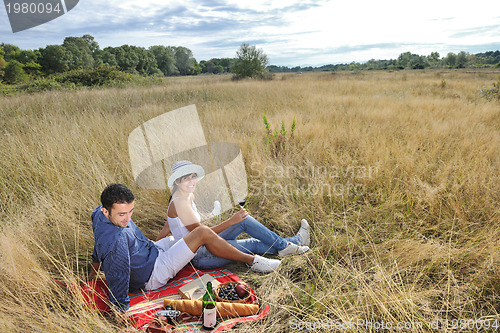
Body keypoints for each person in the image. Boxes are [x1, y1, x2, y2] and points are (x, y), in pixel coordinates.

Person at [89, 183, 281, 312]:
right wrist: (120, 313)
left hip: (154, 249)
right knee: (202, 233)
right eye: (122, 214)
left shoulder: (98, 214)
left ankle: (282, 244)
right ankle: (252, 261)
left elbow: (99, 248)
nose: (128, 219)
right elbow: (118, 278)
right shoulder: (117, 241)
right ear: (107, 211)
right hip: (154, 272)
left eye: (131, 211)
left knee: (190, 236)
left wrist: (91, 276)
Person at [156, 160, 311, 270]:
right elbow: (203, 233)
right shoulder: (179, 203)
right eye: (185, 179)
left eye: (192, 177)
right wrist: (230, 221)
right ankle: (290, 244)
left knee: (243, 219)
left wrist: (154, 247)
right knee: (252, 243)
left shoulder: (188, 195)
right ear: (177, 182)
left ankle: (286, 246)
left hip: (207, 243)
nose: (191, 182)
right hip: (200, 255)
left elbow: (167, 227)